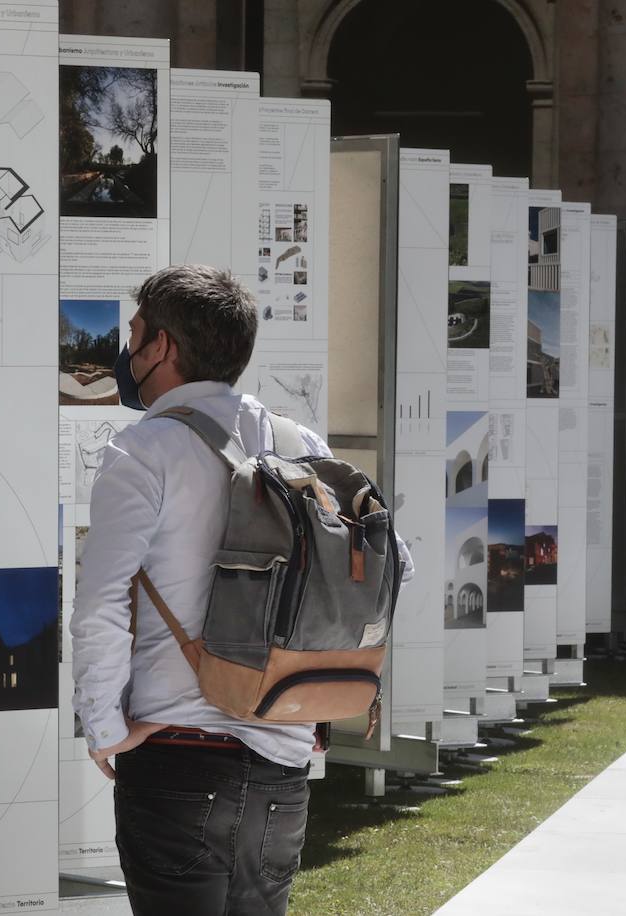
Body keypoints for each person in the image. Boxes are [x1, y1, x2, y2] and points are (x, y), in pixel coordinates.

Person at [71, 265, 413, 915]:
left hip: (174, 753)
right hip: (283, 762)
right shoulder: (299, 445)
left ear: (162, 348)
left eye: (136, 331)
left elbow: (102, 604)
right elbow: (395, 566)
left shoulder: (143, 452)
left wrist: (107, 728)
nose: (128, 347)